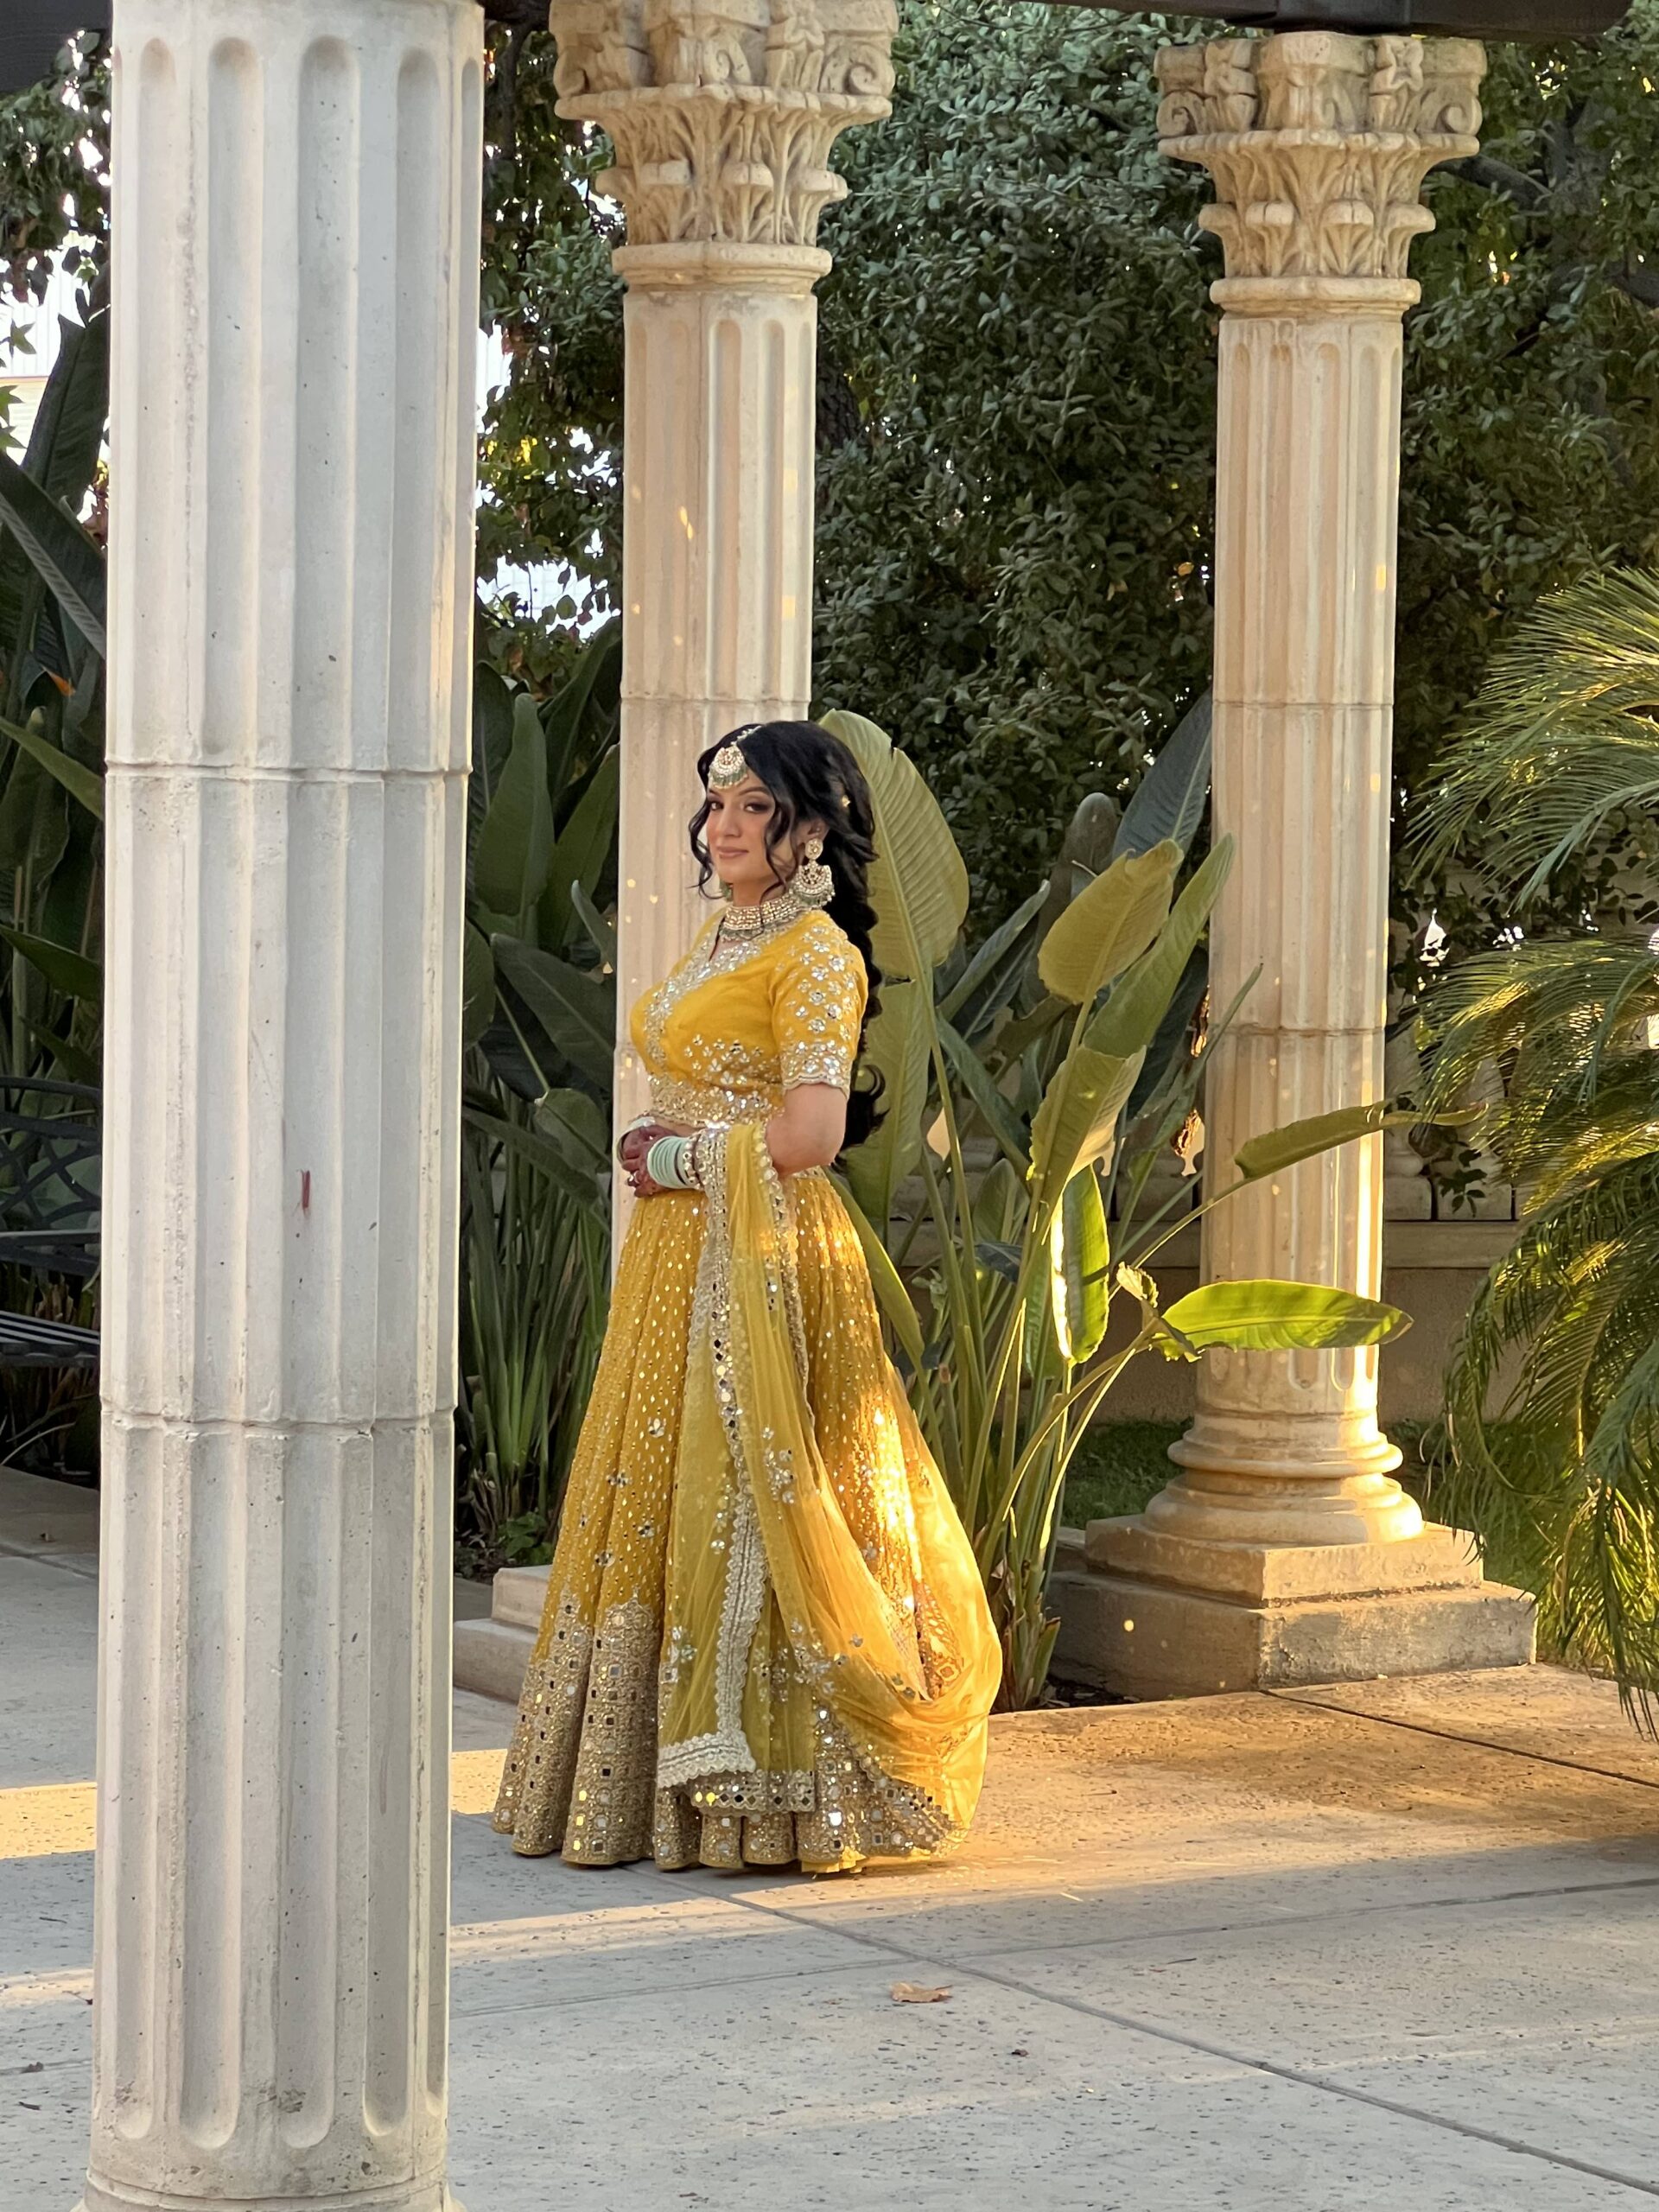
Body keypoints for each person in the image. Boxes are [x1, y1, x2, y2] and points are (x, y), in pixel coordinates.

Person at [493, 719, 1001, 1873]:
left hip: (761, 1259)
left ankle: (777, 1799)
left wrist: (675, 1159)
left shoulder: (815, 952)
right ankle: (639, 1788)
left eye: (754, 806)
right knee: (667, 1487)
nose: (724, 825)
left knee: (763, 1496)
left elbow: (814, 1133)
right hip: (684, 1255)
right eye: (716, 803)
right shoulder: (727, 934)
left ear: (810, 828)